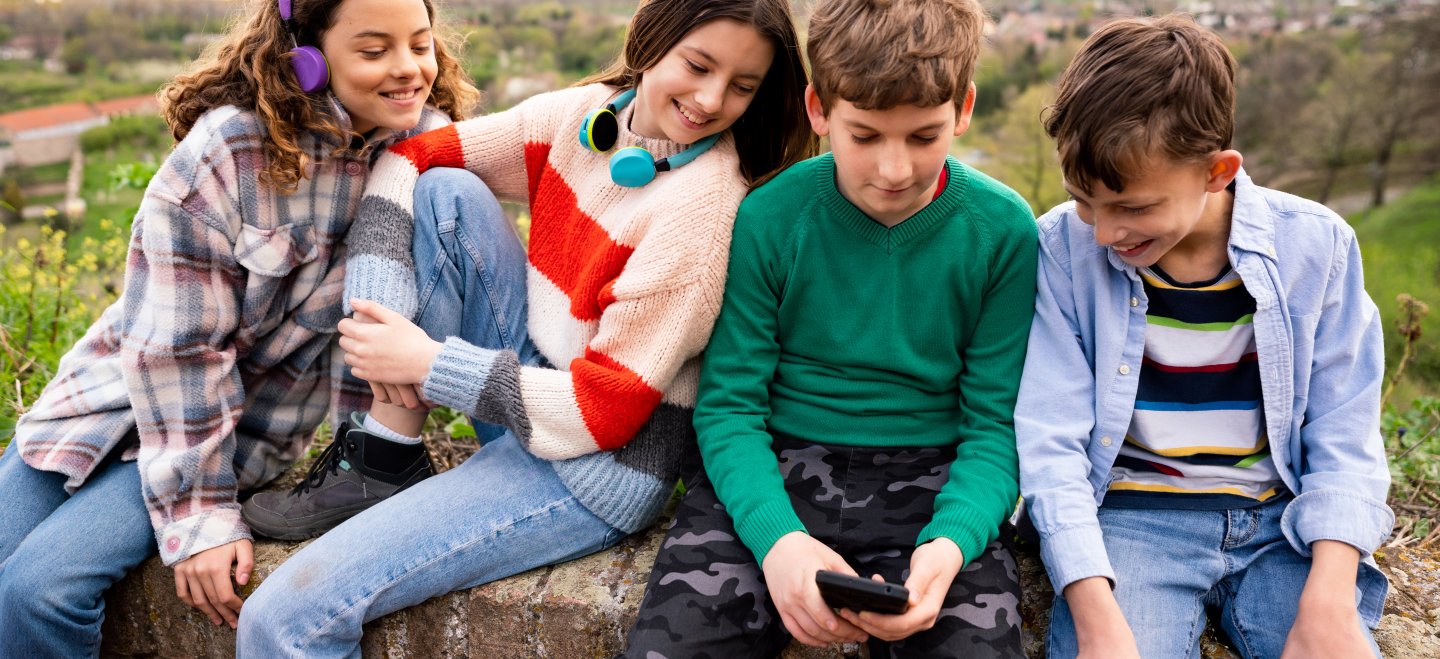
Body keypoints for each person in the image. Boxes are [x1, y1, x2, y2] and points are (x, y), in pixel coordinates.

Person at [234, 0, 816, 653]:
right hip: (537, 375)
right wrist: (382, 312)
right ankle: (385, 454)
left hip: (594, 465)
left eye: (743, 86)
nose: (711, 100)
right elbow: (411, 157)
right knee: (446, 192)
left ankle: (388, 460)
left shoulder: (699, 216)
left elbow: (602, 414)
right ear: (651, 41)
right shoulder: (588, 116)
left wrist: (425, 362)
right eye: (699, 65)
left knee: (281, 618)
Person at [0, 0, 477, 655]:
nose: (408, 69)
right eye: (374, 51)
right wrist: (198, 519)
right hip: (110, 398)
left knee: (38, 591)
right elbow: (177, 351)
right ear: (307, 56)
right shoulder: (230, 149)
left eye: (421, 45)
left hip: (231, 433)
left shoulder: (426, 155)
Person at [618, 0, 1037, 656]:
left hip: (935, 482)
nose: (894, 170)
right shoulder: (772, 215)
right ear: (819, 110)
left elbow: (995, 427)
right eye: (864, 136)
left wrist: (950, 545)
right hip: (772, 470)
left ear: (964, 109)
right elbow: (730, 408)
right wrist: (778, 543)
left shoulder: (1002, 231)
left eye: (924, 136)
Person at [1015, 14, 1392, 659]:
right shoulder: (1062, 248)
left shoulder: (1318, 246)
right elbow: (1050, 442)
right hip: (1131, 528)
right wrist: (1094, 611)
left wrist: (1330, 594)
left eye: (1133, 208)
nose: (1104, 233)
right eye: (1084, 200)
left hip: (1284, 530)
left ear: (1217, 171)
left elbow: (1344, 432)